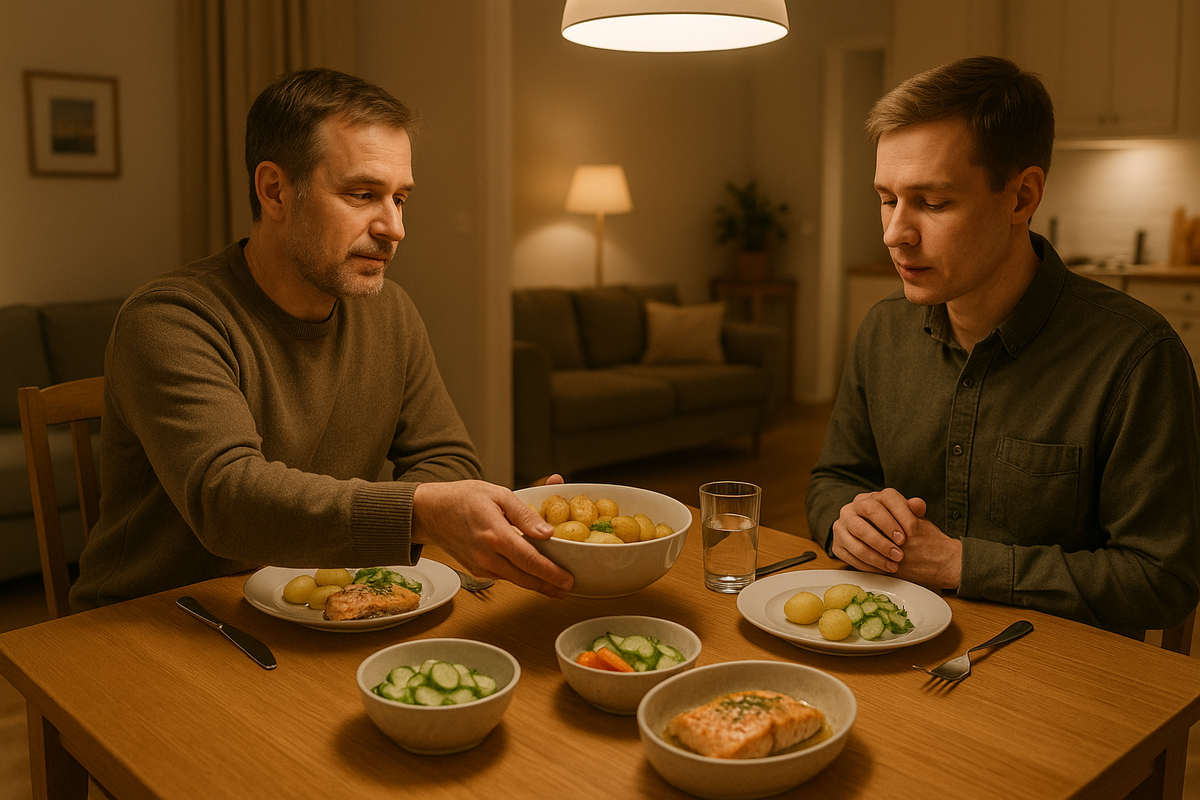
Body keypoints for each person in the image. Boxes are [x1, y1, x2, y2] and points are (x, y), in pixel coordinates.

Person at [71, 68, 572, 611]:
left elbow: (446, 458)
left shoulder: (390, 313)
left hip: (318, 604)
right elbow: (227, 500)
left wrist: (444, 507)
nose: (394, 227)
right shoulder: (171, 318)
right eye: (362, 194)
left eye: (399, 199)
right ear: (275, 191)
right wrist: (421, 512)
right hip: (155, 617)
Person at [805, 56, 1200, 638]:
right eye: (888, 198)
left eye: (933, 202)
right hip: (894, 645)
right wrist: (845, 521)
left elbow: (1163, 580)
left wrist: (960, 563)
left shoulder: (1136, 357)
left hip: (1058, 669)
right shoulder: (884, 329)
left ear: (1022, 197)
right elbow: (834, 479)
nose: (894, 233)